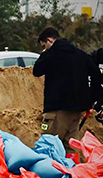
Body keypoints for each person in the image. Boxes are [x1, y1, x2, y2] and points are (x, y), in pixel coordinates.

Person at [33, 27, 103, 157]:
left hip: (56, 112)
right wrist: (93, 98)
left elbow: (36, 70)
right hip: (76, 112)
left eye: (44, 46)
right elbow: (96, 74)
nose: (45, 49)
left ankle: (49, 177)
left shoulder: (52, 54)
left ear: (49, 40)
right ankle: (73, 175)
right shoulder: (80, 54)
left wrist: (46, 53)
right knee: (71, 149)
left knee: (48, 147)